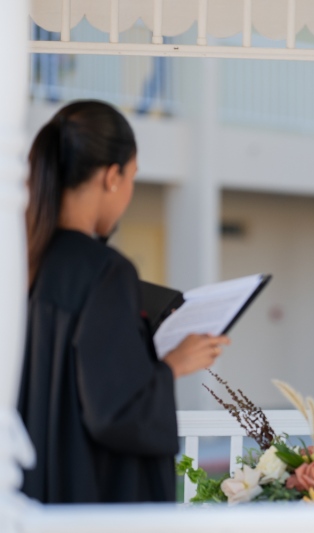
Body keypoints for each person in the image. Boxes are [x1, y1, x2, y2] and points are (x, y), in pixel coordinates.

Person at [17, 100, 230, 504]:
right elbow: (114, 410)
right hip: (84, 498)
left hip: (29, 489)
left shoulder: (24, 261)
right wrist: (173, 365)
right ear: (112, 177)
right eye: (132, 176)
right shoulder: (105, 273)